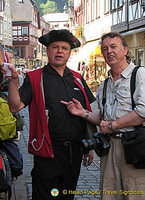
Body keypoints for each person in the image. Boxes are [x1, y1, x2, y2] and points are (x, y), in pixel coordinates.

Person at [0, 29, 95, 200]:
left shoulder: (77, 78)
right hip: (48, 153)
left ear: (69, 53)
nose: (60, 51)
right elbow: (15, 107)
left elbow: (87, 112)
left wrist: (89, 146)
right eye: (55, 47)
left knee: (66, 195)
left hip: (74, 153)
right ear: (48, 51)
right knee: (47, 195)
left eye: (64, 48)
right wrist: (13, 81)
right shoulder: (36, 78)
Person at [61, 32, 145, 200]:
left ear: (125, 50)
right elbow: (103, 119)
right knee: (109, 194)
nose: (109, 51)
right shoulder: (105, 84)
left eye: (113, 47)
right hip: (109, 148)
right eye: (105, 49)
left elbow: (144, 112)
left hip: (134, 146)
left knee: (136, 194)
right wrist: (83, 113)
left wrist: (111, 126)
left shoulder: (140, 74)